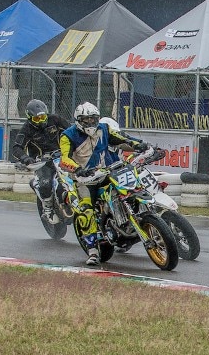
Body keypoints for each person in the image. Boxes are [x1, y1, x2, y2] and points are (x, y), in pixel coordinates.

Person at [57, 101, 152, 266]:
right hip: (85, 179)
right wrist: (78, 169)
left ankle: (140, 216)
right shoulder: (68, 135)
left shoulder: (104, 128)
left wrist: (138, 144)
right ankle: (93, 250)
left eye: (93, 119)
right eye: (86, 120)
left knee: (131, 188)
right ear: (78, 120)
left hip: (107, 172)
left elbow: (122, 139)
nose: (90, 123)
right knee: (86, 210)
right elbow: (64, 159)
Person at [10, 98, 71, 208]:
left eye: (43, 117)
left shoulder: (55, 119)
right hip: (41, 161)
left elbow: (71, 131)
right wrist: (25, 158)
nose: (41, 121)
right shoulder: (26, 129)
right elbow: (16, 148)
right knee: (45, 184)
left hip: (61, 156)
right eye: (37, 119)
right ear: (30, 118)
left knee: (77, 176)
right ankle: (47, 206)